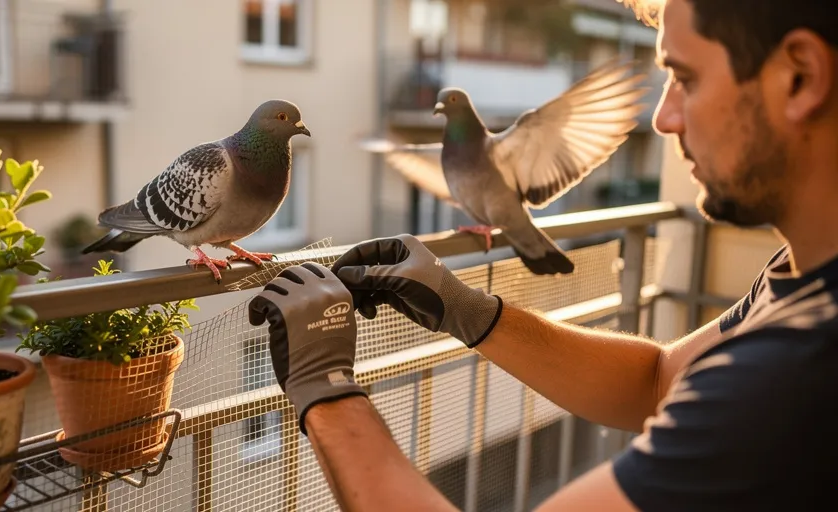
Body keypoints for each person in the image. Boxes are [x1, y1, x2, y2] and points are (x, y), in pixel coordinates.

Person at [247, 0, 838, 509]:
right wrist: (466, 309)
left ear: (800, 77)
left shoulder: (797, 372)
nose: (663, 118)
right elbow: (659, 381)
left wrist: (324, 387)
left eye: (685, 77)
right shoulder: (796, 274)